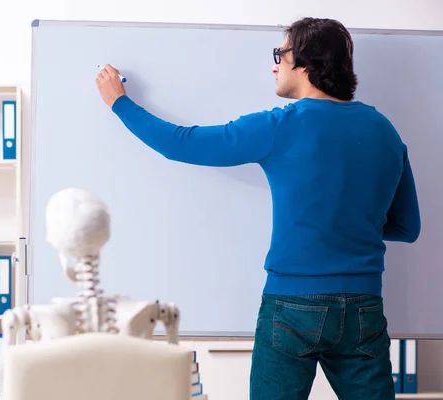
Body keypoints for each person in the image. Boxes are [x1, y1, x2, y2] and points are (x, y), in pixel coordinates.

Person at [95, 16, 421, 400]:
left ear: (305, 61)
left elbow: (182, 144)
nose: (274, 65)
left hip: (292, 305)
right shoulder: (384, 130)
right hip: (364, 306)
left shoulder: (280, 126)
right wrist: (349, 222)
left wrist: (120, 103)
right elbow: (407, 227)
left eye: (279, 54)